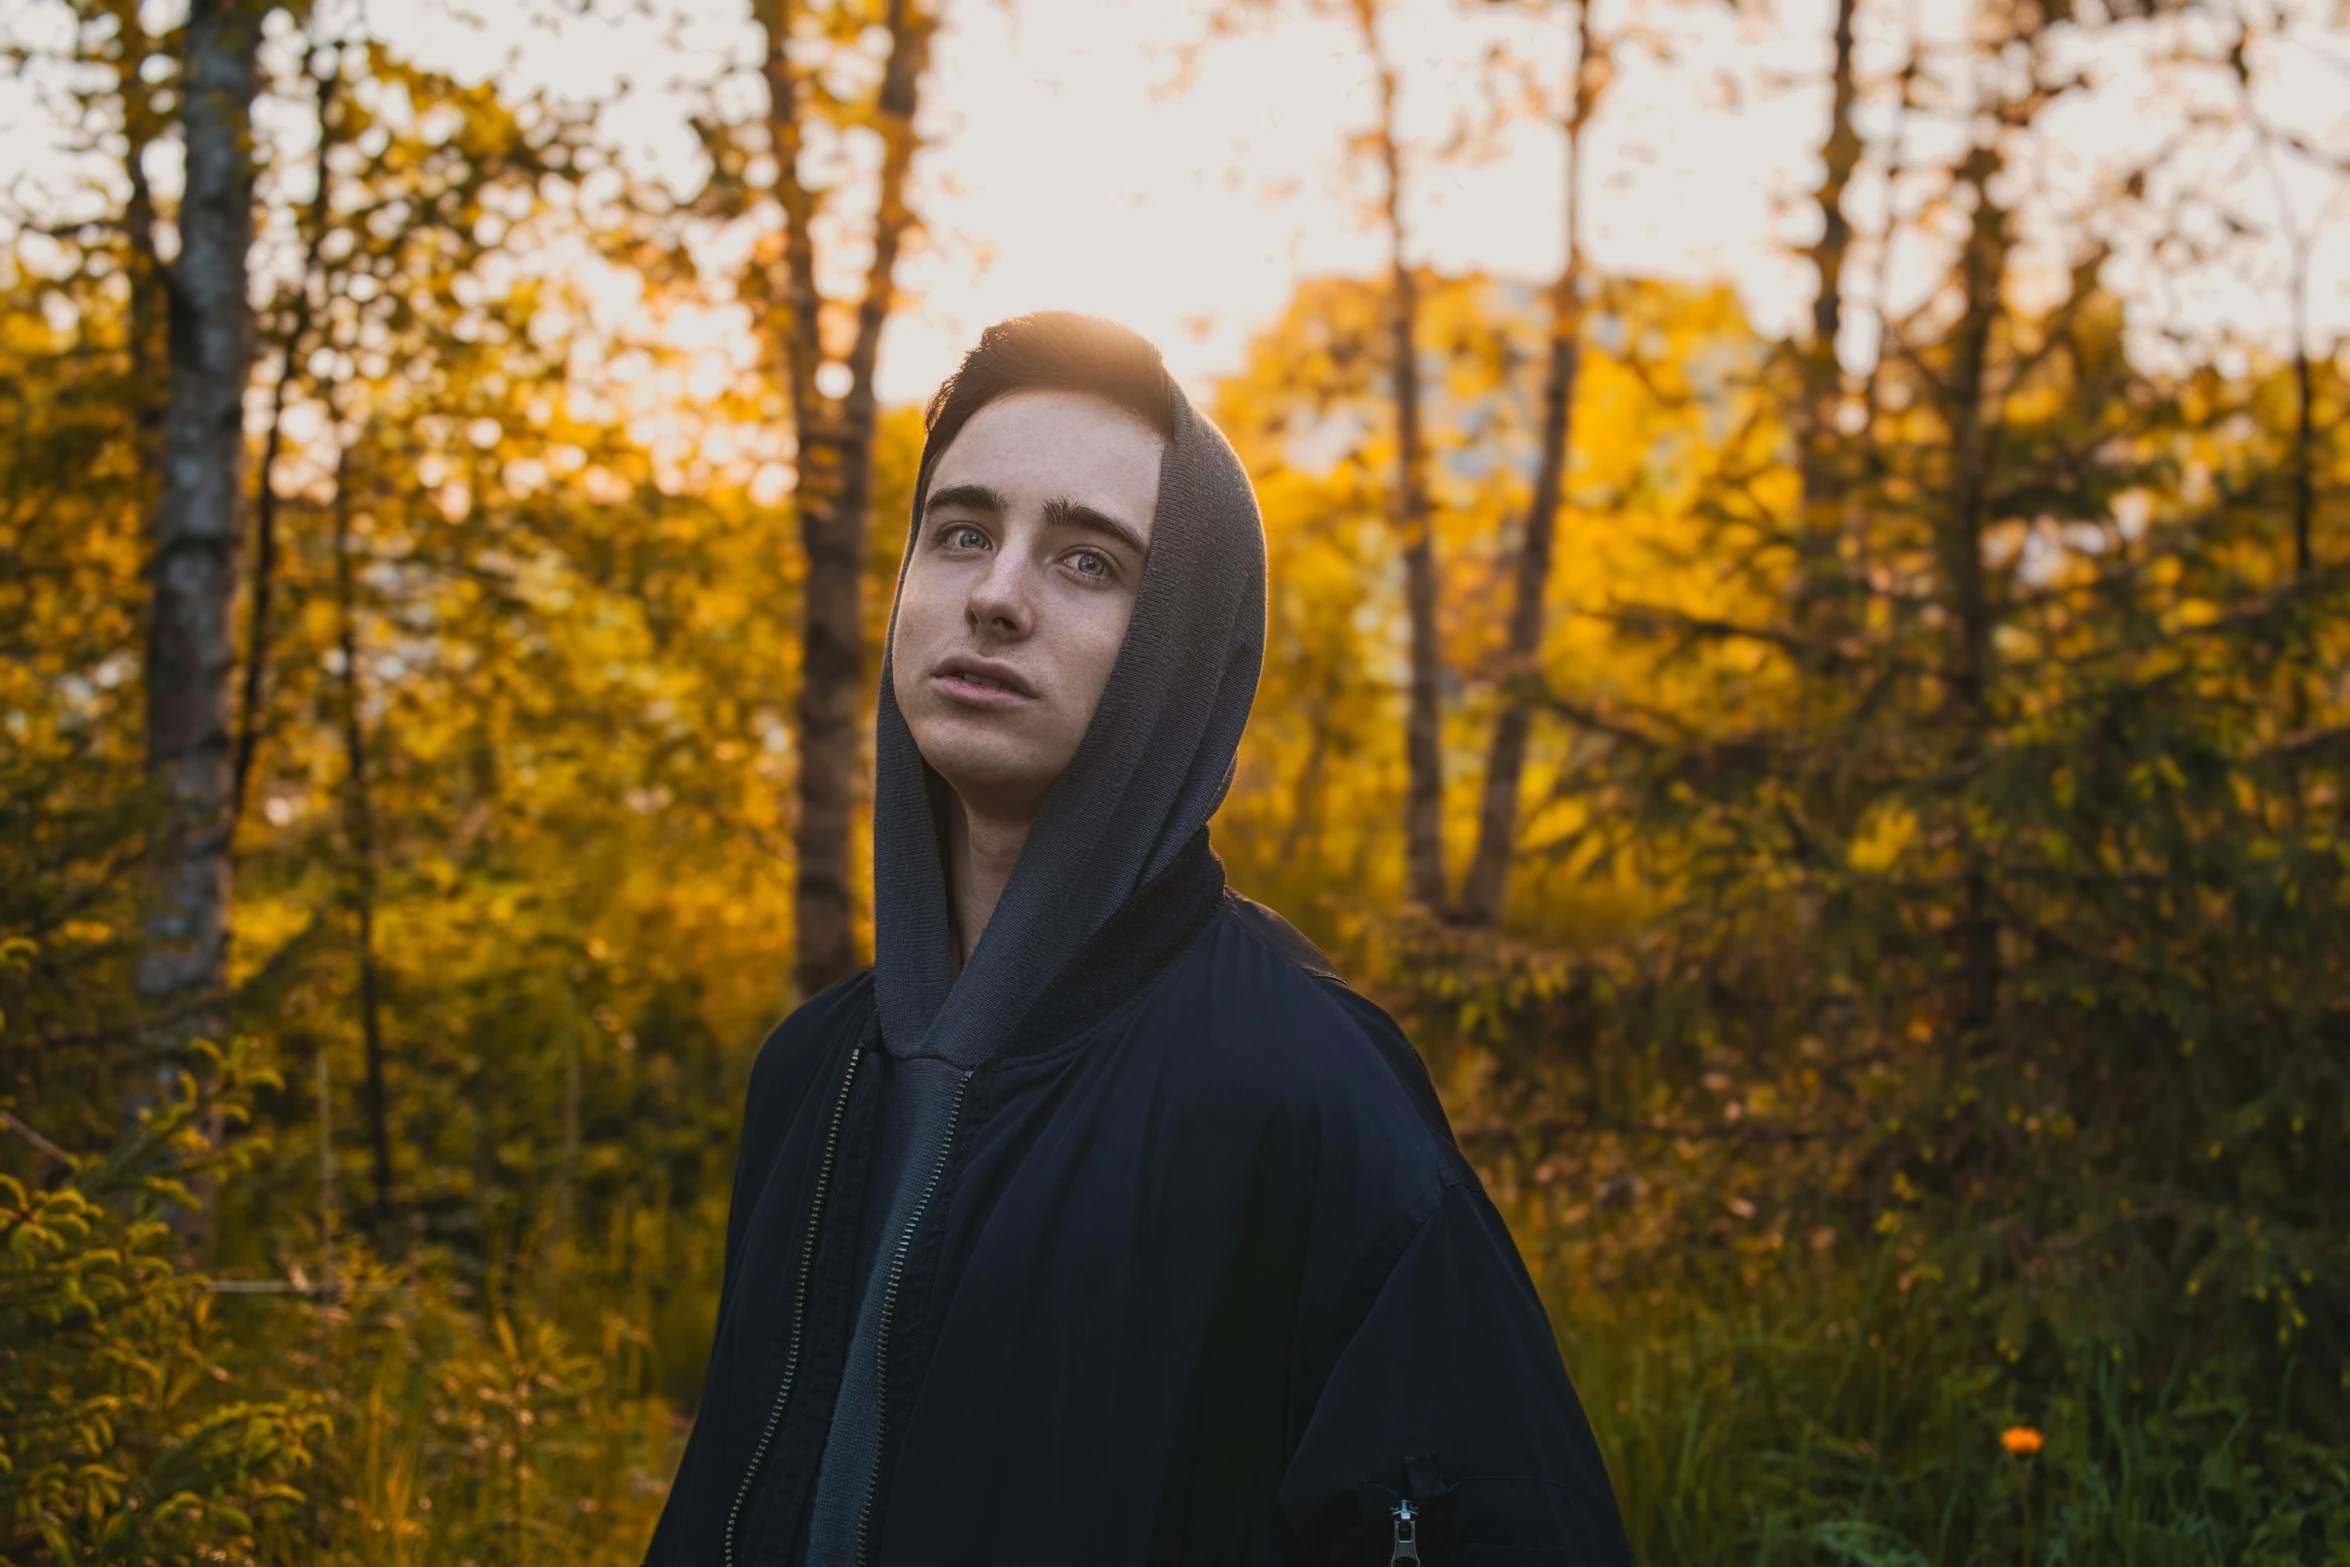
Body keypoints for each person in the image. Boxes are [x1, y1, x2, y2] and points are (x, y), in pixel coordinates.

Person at [644, 313, 1631, 1567]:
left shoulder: (1306, 1096)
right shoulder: (808, 1077)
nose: (995, 596)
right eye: (961, 533)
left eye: (1088, 562)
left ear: (1181, 651)